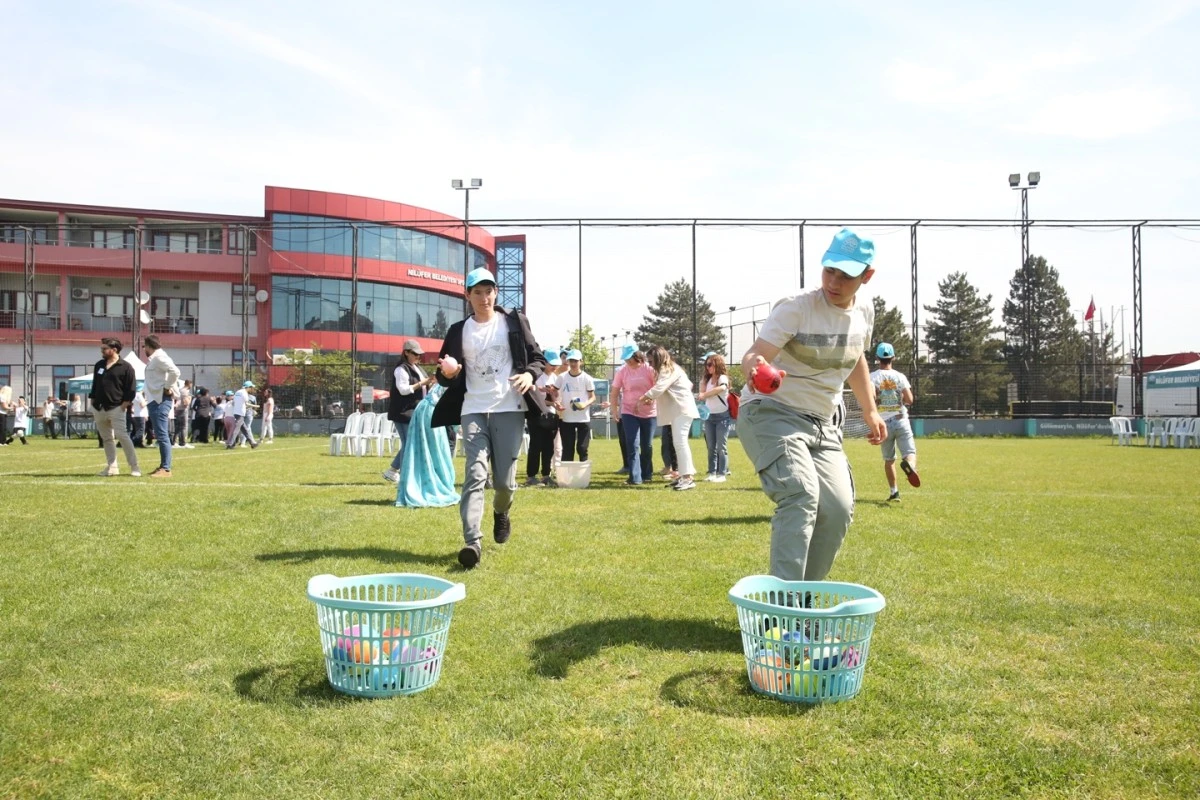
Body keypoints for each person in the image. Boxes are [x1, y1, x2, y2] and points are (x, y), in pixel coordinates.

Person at [738, 227, 887, 583]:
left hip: (823, 424)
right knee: (801, 494)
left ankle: (802, 606)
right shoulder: (797, 307)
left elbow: (856, 358)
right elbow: (755, 354)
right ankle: (783, 613)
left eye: (846, 275)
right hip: (772, 412)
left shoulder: (864, 311)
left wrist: (870, 409)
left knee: (836, 509)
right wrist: (755, 368)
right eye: (829, 270)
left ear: (867, 276)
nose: (833, 281)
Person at [431, 267, 548, 569]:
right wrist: (448, 373)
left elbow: (538, 358)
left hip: (509, 408)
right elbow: (444, 374)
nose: (484, 297)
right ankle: (472, 541)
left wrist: (528, 374)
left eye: (489, 291)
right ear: (467, 295)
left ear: (496, 292)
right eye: (477, 292)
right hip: (472, 409)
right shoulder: (458, 331)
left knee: (505, 483)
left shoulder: (513, 321)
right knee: (475, 473)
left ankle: (502, 511)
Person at [640, 345, 700, 491]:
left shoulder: (668, 369)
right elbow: (689, 384)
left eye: (651, 361)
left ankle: (687, 478)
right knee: (678, 443)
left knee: (680, 443)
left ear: (659, 359)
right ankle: (684, 476)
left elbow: (660, 387)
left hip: (682, 410)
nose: (650, 365)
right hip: (679, 410)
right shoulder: (671, 369)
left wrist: (644, 397)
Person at [869, 342, 920, 501]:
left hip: (883, 424)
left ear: (877, 358)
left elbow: (871, 399)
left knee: (889, 460)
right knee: (909, 453)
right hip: (901, 420)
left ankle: (894, 492)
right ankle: (910, 466)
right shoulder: (900, 376)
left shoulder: (872, 377)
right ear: (893, 358)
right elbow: (910, 400)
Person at [395, 384, 460, 507]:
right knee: (437, 451)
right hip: (432, 412)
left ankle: (422, 485)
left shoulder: (445, 380)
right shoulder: (458, 380)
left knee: (423, 450)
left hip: (425, 411)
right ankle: (434, 487)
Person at [382, 339, 436, 483]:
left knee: (410, 442)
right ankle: (398, 472)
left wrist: (429, 383)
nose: (418, 357)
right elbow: (403, 390)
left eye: (419, 354)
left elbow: (424, 388)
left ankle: (393, 470)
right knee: (409, 443)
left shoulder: (417, 368)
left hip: (414, 411)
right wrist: (421, 383)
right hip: (403, 412)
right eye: (415, 354)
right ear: (406, 353)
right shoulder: (401, 369)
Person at [89, 337, 141, 477]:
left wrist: (124, 405)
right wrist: (92, 402)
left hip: (117, 407)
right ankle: (112, 467)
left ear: (114, 350)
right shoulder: (99, 365)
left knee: (122, 436)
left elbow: (131, 388)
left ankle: (134, 467)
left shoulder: (126, 367)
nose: (102, 351)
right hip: (99, 408)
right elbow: (95, 385)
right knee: (106, 439)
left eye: (104, 349)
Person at [609, 345, 657, 485]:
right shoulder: (622, 372)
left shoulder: (649, 369)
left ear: (637, 355)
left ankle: (647, 474)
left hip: (649, 413)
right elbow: (615, 392)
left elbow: (658, 388)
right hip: (629, 411)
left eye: (630, 358)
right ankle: (635, 477)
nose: (628, 361)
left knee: (646, 445)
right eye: (626, 359)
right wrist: (614, 410)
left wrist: (651, 399)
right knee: (632, 444)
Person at [142, 334, 181, 477]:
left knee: (162, 434)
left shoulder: (159, 357)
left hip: (160, 399)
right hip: (155, 399)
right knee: (160, 434)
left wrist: (167, 386)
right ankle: (163, 466)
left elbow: (175, 372)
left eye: (144, 346)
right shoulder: (156, 358)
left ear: (148, 346)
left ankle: (166, 468)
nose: (144, 349)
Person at [525, 349, 562, 487]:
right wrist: (547, 396)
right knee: (536, 445)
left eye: (556, 365)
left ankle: (546, 475)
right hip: (536, 414)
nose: (554, 367)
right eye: (551, 364)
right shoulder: (536, 376)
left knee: (549, 447)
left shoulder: (555, 377)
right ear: (544, 362)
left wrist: (554, 397)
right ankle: (531, 476)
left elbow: (556, 397)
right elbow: (535, 399)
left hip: (551, 415)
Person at [697, 353, 732, 482]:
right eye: (706, 365)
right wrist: (703, 384)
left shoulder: (722, 378)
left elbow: (722, 388)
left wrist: (705, 394)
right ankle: (712, 472)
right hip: (709, 417)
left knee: (721, 447)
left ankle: (722, 474)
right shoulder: (706, 380)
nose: (708, 367)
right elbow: (701, 393)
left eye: (710, 364)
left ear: (717, 365)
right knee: (711, 446)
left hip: (722, 416)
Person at [557, 348, 595, 462]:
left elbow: (592, 397)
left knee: (582, 448)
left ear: (581, 361)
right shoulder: (562, 377)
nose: (573, 363)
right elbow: (554, 392)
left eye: (575, 361)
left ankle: (583, 474)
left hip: (583, 418)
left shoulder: (587, 378)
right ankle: (567, 477)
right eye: (571, 361)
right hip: (567, 419)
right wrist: (556, 403)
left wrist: (585, 404)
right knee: (568, 449)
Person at [226, 380, 260, 449]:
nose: (251, 389)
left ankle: (252, 443)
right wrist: (255, 406)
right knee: (236, 429)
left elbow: (235, 402)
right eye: (251, 387)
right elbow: (246, 403)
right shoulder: (244, 393)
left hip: (236, 412)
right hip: (240, 413)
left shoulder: (237, 392)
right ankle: (230, 444)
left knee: (245, 429)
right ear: (249, 387)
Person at [174, 379, 193, 448]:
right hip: (182, 410)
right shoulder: (185, 391)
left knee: (177, 427)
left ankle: (174, 441)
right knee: (183, 427)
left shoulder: (180, 390)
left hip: (178, 409)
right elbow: (186, 403)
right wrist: (190, 398)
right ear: (189, 384)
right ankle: (182, 442)